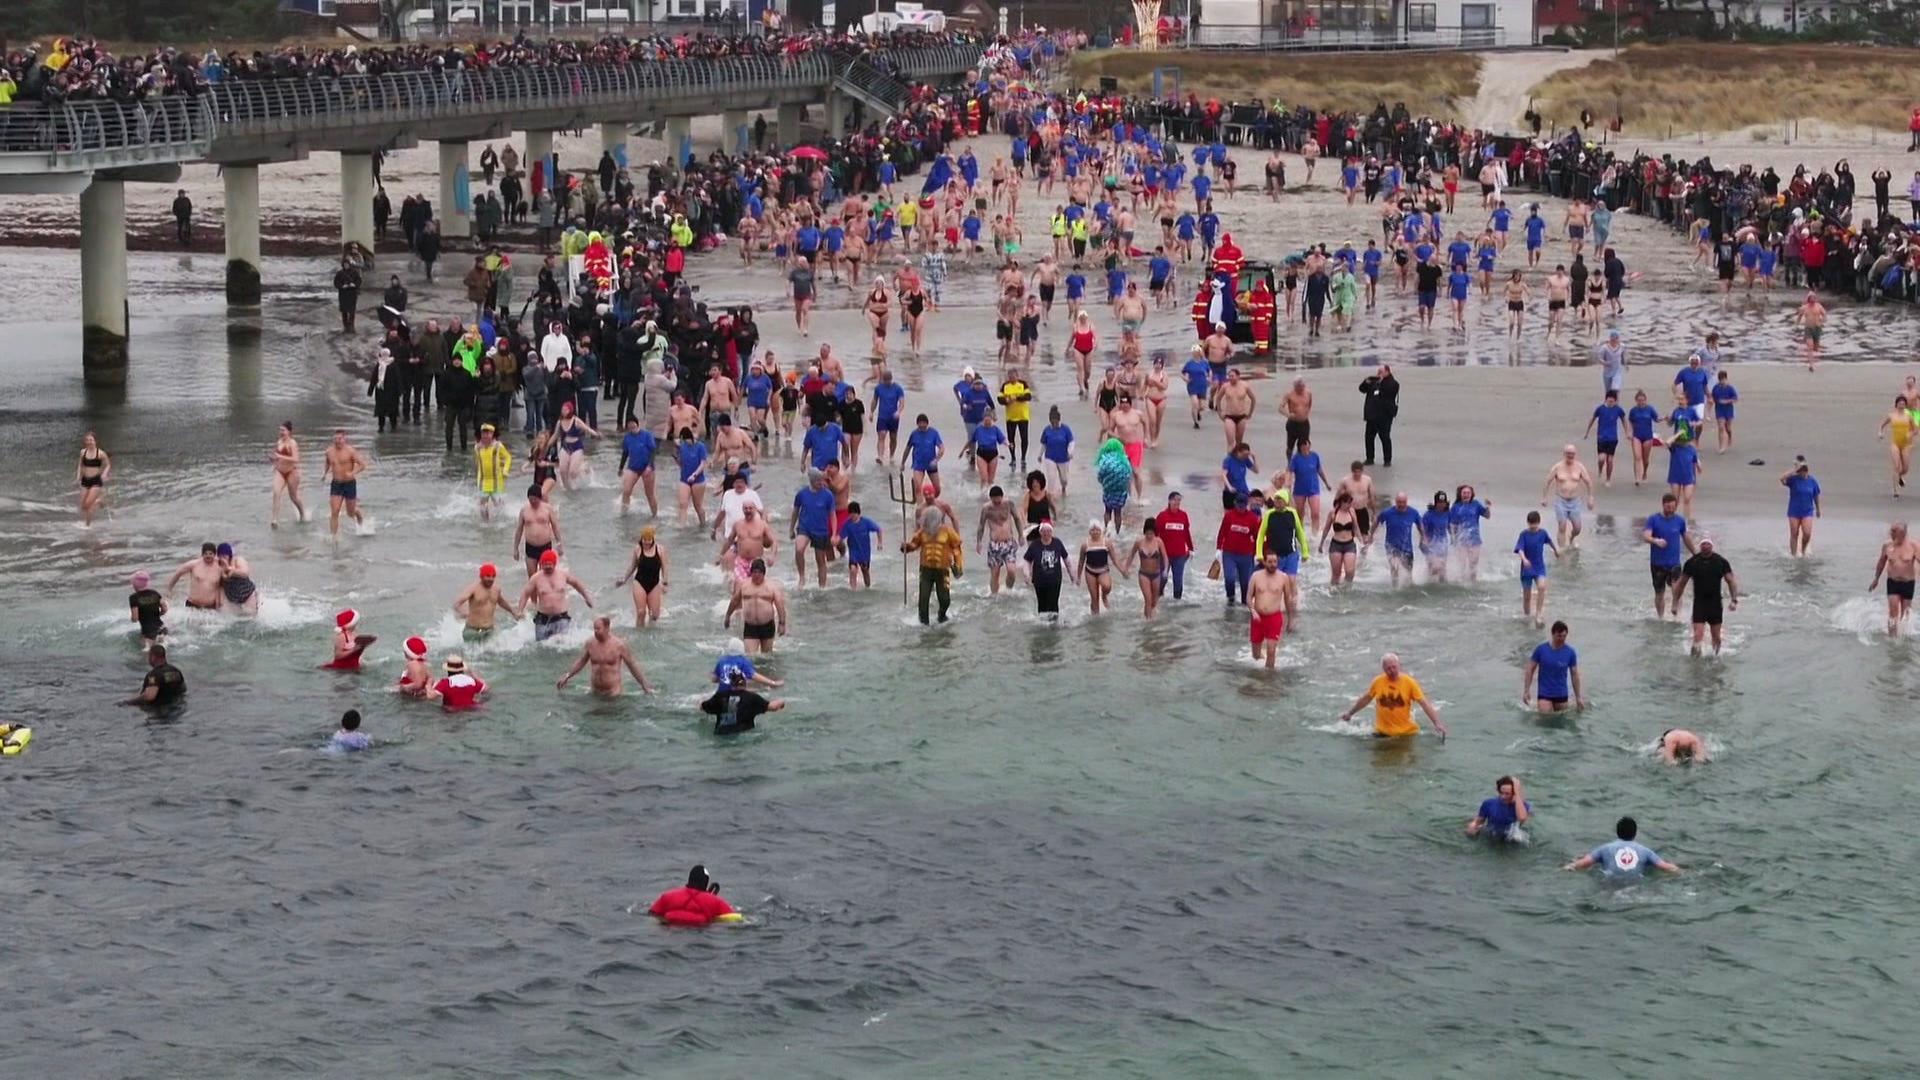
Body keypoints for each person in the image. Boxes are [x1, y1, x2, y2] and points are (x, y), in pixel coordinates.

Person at [1339, 652, 1448, 738]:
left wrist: (1437, 723)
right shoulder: (1378, 681)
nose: (1392, 670)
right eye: (1388, 669)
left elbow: (1424, 703)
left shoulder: (1409, 682)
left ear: (1399, 666)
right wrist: (1350, 713)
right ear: (1384, 669)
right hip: (1382, 732)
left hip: (1405, 734)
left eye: (1394, 667)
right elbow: (1365, 699)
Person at [557, 616, 656, 696]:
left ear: (607, 628)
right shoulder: (590, 643)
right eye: (594, 629)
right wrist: (567, 676)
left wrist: (643, 683)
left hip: (613, 693)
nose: (595, 631)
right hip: (595, 692)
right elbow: (581, 661)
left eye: (598, 629)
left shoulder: (619, 645)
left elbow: (632, 665)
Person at [1674, 535, 1740, 656]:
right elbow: (1681, 583)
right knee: (1697, 636)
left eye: (1708, 544)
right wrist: (1675, 603)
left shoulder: (1721, 561)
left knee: (1716, 637)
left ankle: (1715, 659)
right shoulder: (1693, 562)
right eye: (1703, 544)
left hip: (1715, 604)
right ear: (1700, 546)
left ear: (1712, 546)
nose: (1705, 546)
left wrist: (1734, 600)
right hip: (1699, 603)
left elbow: (1731, 581)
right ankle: (1695, 663)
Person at [1564, 817, 1681, 879]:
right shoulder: (1645, 851)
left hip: (1609, 885)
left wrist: (1567, 867)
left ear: (1617, 832)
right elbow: (1667, 867)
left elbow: (1582, 864)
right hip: (1636, 886)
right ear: (1635, 833)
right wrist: (1682, 871)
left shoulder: (1605, 849)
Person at [519, 550, 594, 642]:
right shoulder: (536, 578)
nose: (547, 567)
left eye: (550, 565)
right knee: (540, 645)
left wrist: (587, 597)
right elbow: (525, 593)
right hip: (543, 618)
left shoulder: (563, 575)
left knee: (564, 644)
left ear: (554, 564)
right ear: (541, 565)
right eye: (545, 565)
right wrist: (520, 610)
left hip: (561, 617)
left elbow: (576, 584)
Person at [902, 513, 964, 625]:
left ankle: (942, 615)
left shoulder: (947, 531)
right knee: (923, 599)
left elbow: (956, 548)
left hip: (942, 569)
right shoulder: (922, 532)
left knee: (945, 599)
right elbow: (914, 545)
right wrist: (906, 547)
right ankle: (923, 624)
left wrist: (958, 565)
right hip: (926, 570)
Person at [1643, 493, 1696, 620]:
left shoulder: (1679, 521)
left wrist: (1695, 553)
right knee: (1659, 593)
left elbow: (1686, 537)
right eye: (1667, 507)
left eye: (1672, 507)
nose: (1670, 510)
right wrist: (1656, 541)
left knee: (1677, 590)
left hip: (1674, 563)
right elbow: (1646, 536)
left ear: (1676, 506)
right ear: (1663, 505)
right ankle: (1660, 618)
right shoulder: (1653, 519)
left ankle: (1677, 615)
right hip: (1657, 563)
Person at [723, 558, 789, 653]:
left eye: (759, 573)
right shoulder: (744, 585)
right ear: (751, 573)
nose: (756, 575)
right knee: (750, 656)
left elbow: (780, 605)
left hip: (767, 625)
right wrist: (728, 616)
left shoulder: (772, 587)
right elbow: (735, 601)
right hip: (750, 626)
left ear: (763, 573)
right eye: (754, 572)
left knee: (766, 657)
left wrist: (782, 624)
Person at [1522, 620, 1586, 712]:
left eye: (1564, 636)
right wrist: (1526, 690)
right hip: (1545, 693)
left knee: (1560, 721)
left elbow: (1574, 674)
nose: (1562, 639)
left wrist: (1578, 697)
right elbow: (1530, 669)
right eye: (1559, 636)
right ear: (1553, 634)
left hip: (1561, 694)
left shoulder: (1570, 652)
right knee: (1545, 716)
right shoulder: (1541, 650)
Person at [1541, 444, 1595, 550]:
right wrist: (1544, 497)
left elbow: (1588, 482)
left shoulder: (1579, 467)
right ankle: (1561, 549)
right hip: (1561, 500)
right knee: (1562, 525)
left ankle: (1571, 537)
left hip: (1575, 501)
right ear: (1564, 454)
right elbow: (1547, 481)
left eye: (1572, 454)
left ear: (1575, 454)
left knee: (1577, 528)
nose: (1570, 456)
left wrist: (1590, 498)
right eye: (1568, 453)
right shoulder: (1558, 467)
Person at [1869, 521, 1920, 635]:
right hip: (1893, 582)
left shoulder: (1913, 545)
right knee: (1893, 611)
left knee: (1906, 614)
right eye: (1891, 531)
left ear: (1903, 533)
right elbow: (1881, 562)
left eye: (1894, 532)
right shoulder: (1887, 545)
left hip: (1908, 583)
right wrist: (1876, 579)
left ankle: (1904, 637)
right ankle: (1892, 638)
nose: (1891, 534)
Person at [453, 563, 521, 643]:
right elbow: (457, 603)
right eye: (488, 576)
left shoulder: (496, 589)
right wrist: (463, 612)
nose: (491, 579)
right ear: (481, 577)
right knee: (471, 654)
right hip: (472, 631)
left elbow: (501, 602)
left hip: (489, 630)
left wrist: (513, 612)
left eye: (493, 576)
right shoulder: (473, 589)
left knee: (493, 653)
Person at [649, 865, 737, 926]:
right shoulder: (716, 902)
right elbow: (733, 918)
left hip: (671, 930)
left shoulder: (667, 896)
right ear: (706, 882)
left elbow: (652, 913)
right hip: (700, 930)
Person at [321, 428, 370, 538]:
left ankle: (359, 517)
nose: (337, 441)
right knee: (335, 511)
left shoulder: (350, 451)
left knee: (350, 513)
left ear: (344, 439)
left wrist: (353, 473)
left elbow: (362, 465)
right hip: (336, 484)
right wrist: (324, 473)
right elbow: (328, 463)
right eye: (335, 439)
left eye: (340, 438)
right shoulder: (329, 451)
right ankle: (334, 537)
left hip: (349, 484)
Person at [1515, 510, 1558, 628]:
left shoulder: (1542, 533)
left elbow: (1549, 541)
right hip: (1526, 568)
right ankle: (1527, 616)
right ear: (1528, 523)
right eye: (1531, 524)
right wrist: (1524, 559)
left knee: (1542, 586)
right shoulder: (1523, 534)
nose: (1533, 527)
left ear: (1539, 523)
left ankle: (1538, 614)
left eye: (1535, 524)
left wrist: (1556, 551)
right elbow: (1520, 549)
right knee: (1527, 596)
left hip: (1539, 566)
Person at [1247, 551, 1289, 668]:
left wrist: (1290, 619)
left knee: (1271, 651)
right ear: (1264, 562)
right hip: (1257, 618)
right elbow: (1248, 597)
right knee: (1255, 655)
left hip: (1274, 617)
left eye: (1275, 562)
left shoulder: (1283, 577)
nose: (1273, 564)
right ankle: (1261, 665)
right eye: (1270, 562)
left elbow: (1288, 599)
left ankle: (1268, 680)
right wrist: (1253, 611)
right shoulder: (1256, 576)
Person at [514, 485, 564, 577]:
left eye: (535, 499)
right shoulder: (524, 510)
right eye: (530, 499)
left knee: (544, 576)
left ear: (539, 498)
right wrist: (515, 549)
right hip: (530, 547)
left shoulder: (548, 509)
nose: (533, 502)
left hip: (545, 546)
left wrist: (559, 543)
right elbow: (519, 530)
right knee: (532, 578)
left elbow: (555, 527)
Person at [1023, 520, 1070, 616]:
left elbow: (1066, 559)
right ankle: (1043, 625)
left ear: (1051, 532)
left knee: (1053, 604)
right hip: (1039, 580)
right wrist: (1027, 574)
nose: (1046, 534)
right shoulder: (1034, 545)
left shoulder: (1057, 543)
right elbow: (1027, 560)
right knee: (1042, 605)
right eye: (1044, 531)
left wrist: (1072, 575)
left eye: (1048, 531)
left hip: (1055, 580)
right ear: (1040, 533)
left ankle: (1054, 625)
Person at [1466, 776, 1530, 842]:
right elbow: (1479, 821)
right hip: (1491, 836)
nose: (1503, 797)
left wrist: (1517, 791)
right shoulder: (1488, 803)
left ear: (1514, 793)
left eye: (1507, 794)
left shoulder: (1521, 806)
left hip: (1512, 839)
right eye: (1501, 792)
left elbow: (1522, 818)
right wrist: (1473, 826)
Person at [124, 644, 186, 709]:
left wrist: (127, 702)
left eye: (149, 656)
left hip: (159, 712)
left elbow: (149, 696)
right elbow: (183, 689)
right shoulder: (176, 671)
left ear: (153, 657)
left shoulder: (154, 674)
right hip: (176, 709)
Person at [1358, 365, 1398, 466]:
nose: (1379, 373)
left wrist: (1381, 381)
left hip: (1384, 416)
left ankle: (1387, 460)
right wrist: (1366, 382)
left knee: (1384, 437)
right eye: (1378, 371)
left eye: (1381, 371)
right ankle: (1370, 458)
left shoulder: (1393, 383)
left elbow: (1389, 392)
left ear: (1387, 372)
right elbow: (1362, 389)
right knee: (1369, 437)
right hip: (1372, 415)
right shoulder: (1373, 381)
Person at [1585, 391, 1626, 487]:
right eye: (1609, 401)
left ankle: (1608, 479)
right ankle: (1600, 468)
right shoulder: (1600, 409)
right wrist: (1587, 432)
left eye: (1613, 401)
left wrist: (1627, 431)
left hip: (1613, 438)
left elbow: (1624, 420)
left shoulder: (1618, 410)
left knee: (1610, 460)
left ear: (1615, 401)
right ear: (1606, 399)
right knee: (1601, 458)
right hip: (1602, 437)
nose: (1611, 403)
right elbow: (1593, 419)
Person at [1781, 458, 1821, 557]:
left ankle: (1803, 551)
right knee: (1794, 533)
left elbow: (1815, 495)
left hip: (1807, 511)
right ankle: (1794, 555)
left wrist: (1818, 509)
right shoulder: (1793, 480)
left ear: (1806, 471)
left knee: (1807, 533)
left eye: (1802, 472)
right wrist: (1794, 470)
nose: (1800, 474)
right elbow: (1782, 479)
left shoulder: (1812, 481)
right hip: (1794, 510)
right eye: (1799, 472)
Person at [76, 430, 111, 527]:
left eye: (91, 440)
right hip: (85, 481)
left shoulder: (101, 453)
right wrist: (78, 476)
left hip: (96, 481)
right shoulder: (83, 452)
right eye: (87, 440)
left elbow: (108, 465)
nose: (89, 442)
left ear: (95, 441)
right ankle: (98, 501)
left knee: (88, 505)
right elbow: (80, 465)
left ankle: (87, 526)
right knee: (83, 506)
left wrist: (104, 474)